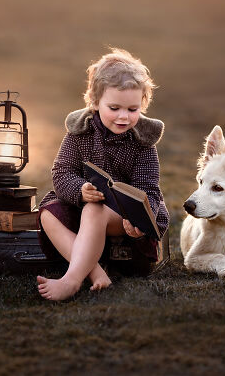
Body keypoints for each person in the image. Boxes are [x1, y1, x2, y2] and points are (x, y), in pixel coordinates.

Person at [37, 48, 169, 301]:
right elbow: (62, 171)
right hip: (84, 207)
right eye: (114, 107)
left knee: (95, 210)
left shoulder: (143, 142)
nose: (124, 116)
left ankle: (71, 280)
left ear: (143, 104)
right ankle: (95, 273)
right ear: (95, 103)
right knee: (47, 215)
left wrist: (140, 223)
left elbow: (149, 190)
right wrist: (80, 190)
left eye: (133, 109)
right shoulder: (80, 132)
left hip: (122, 219)